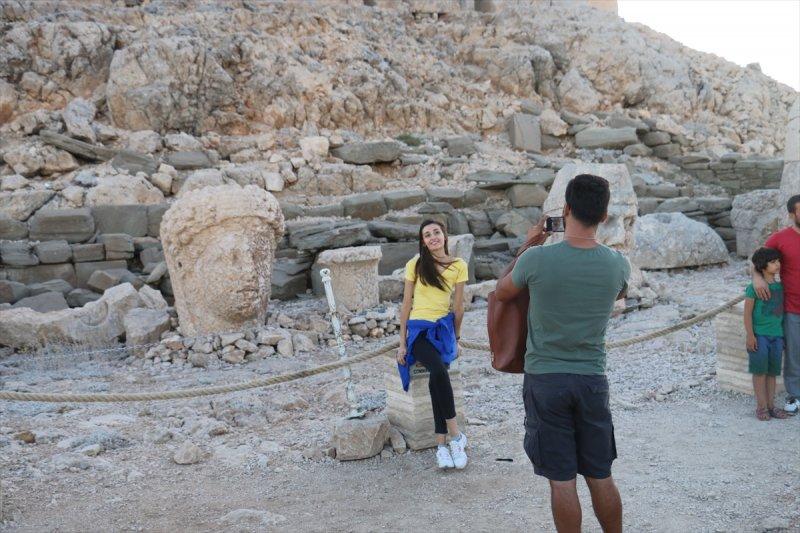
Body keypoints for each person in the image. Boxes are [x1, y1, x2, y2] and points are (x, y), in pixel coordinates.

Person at [495, 174, 630, 533]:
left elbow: (502, 292)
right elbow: (618, 293)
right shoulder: (617, 264)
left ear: (566, 209)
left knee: (562, 481)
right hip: (592, 380)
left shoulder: (536, 259)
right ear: (604, 216)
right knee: (600, 474)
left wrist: (530, 244)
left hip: (546, 380)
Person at [396, 219, 469, 469]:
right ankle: (456, 435)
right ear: (423, 241)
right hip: (418, 332)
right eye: (427, 235)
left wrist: (456, 339)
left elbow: (458, 307)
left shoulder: (459, 265)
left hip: (442, 330)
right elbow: (406, 304)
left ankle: (441, 445)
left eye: (436, 232)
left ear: (445, 236)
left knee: (437, 380)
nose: (433, 237)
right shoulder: (416, 264)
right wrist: (402, 343)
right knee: (438, 371)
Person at [752, 194, 800, 414]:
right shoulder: (780, 238)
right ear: (792, 214)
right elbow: (758, 259)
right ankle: (795, 395)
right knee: (794, 354)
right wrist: (757, 278)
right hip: (792, 307)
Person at [744, 248, 790, 420]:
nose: (777, 264)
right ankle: (761, 407)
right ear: (762, 266)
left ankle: (771, 406)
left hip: (777, 337)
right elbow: (747, 314)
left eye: (778, 261)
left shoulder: (781, 287)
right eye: (772, 262)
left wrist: (783, 336)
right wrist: (750, 335)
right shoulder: (753, 288)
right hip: (760, 336)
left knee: (772, 373)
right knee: (759, 372)